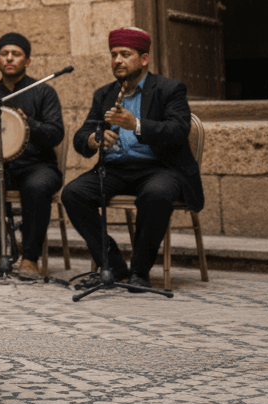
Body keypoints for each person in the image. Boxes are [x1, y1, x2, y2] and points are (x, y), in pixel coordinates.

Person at [61, 27, 202, 290]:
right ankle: (113, 264)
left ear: (144, 59)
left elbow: (177, 130)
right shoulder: (104, 94)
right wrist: (95, 139)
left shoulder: (169, 90)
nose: (117, 60)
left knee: (156, 194)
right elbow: (82, 135)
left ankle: (140, 271)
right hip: (115, 169)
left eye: (125, 54)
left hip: (159, 169)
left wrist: (135, 124)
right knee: (73, 193)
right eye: (114, 54)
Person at [0, 33, 64, 279]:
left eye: (16, 54)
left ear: (27, 60)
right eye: (4, 53)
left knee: (37, 186)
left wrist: (26, 122)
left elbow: (55, 133)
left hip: (37, 165)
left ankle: (30, 257)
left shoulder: (43, 93)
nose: (9, 58)